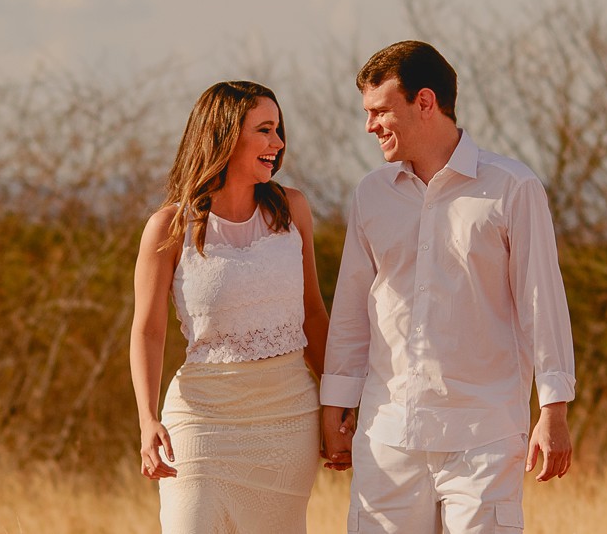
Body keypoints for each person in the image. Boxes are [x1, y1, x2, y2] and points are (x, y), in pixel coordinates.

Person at [320, 40, 576, 532]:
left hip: (484, 435)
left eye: (380, 111)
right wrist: (336, 404)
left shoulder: (512, 187)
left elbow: (540, 302)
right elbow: (352, 307)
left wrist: (554, 408)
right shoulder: (371, 194)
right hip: (387, 434)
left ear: (424, 102)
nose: (370, 125)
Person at [129, 80, 331, 533]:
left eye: (278, 130)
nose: (277, 144)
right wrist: (147, 419)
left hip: (287, 419)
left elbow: (313, 312)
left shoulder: (292, 210)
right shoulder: (170, 226)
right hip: (202, 421)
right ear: (224, 134)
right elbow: (148, 330)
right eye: (264, 130)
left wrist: (339, 403)